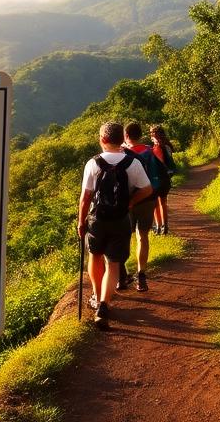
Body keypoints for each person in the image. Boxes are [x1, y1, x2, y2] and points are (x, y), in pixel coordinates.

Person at [77, 122, 152, 329]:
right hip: (120, 220)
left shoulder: (93, 163)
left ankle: (95, 294)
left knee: (95, 257)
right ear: (122, 139)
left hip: (97, 220)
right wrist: (130, 202)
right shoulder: (132, 163)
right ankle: (104, 304)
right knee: (113, 264)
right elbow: (147, 189)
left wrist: (80, 222)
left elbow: (85, 198)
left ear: (102, 139)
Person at [121, 122, 158, 292]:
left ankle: (123, 274)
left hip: (127, 201)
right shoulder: (149, 151)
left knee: (124, 238)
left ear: (126, 135)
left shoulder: (122, 154)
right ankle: (141, 275)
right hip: (147, 198)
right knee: (143, 236)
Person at [149, 125, 175, 235]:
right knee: (163, 202)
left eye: (151, 134)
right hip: (166, 179)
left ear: (155, 135)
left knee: (155, 203)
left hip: (156, 179)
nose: (151, 137)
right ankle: (165, 226)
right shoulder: (168, 146)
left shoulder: (155, 148)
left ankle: (158, 226)